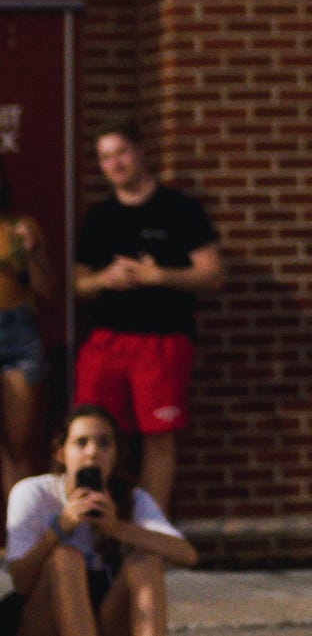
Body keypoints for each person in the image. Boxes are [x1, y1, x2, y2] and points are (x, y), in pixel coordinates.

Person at [72, 126, 222, 511]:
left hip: (162, 340)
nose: (115, 164)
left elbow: (212, 274)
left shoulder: (179, 209)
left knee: (158, 436)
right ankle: (91, 522)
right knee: (92, 432)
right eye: (106, 157)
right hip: (108, 339)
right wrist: (105, 279)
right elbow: (79, 283)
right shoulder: (100, 216)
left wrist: (160, 276)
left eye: (121, 152)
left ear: (140, 151)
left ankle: (149, 533)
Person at [3, 404, 195, 636]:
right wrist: (60, 527)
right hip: (42, 617)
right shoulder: (33, 493)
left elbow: (187, 555)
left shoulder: (130, 497)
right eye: (81, 442)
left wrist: (116, 528)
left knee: (145, 562)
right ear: (61, 453)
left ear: (115, 455)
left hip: (104, 616)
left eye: (104, 443)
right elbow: (21, 583)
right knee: (65, 557)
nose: (92, 452)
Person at [0, 165, 52, 501]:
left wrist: (32, 253)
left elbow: (47, 292)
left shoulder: (19, 227)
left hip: (17, 333)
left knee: (15, 448)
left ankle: (17, 542)